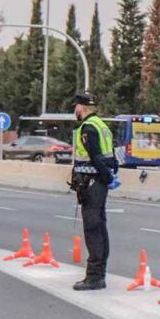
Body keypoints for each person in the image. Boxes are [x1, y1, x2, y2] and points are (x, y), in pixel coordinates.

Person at [70, 93, 118, 290]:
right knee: (100, 227)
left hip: (92, 184)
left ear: (81, 107)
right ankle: (100, 273)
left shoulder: (87, 128)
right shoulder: (101, 125)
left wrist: (107, 177)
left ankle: (94, 277)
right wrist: (112, 175)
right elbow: (111, 156)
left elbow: (96, 157)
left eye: (76, 107)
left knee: (92, 229)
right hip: (98, 184)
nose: (75, 111)